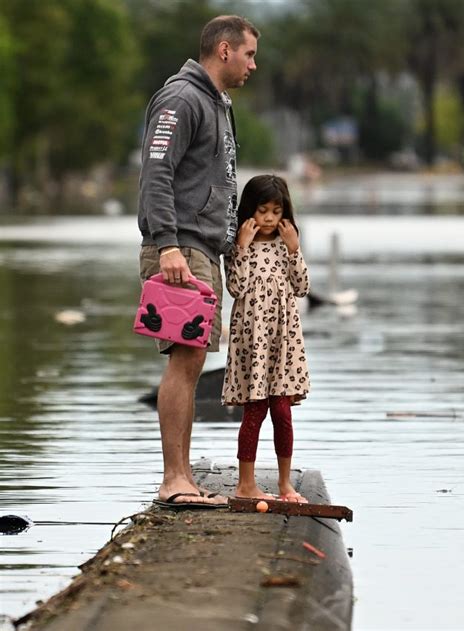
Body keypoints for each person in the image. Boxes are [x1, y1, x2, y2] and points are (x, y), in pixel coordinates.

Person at [138, 16, 260, 509]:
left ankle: (183, 477)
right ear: (225, 50)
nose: (254, 64)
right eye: (250, 54)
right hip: (179, 250)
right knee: (184, 363)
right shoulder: (182, 99)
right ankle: (174, 480)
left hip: (201, 249)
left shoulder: (217, 103)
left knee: (192, 362)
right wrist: (166, 244)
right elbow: (156, 173)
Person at [222, 175, 311, 502]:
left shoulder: (287, 245)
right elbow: (236, 288)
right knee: (254, 410)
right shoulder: (238, 245)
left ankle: (286, 484)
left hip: (284, 342)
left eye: (276, 211)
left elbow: (302, 287)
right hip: (252, 341)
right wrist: (243, 247)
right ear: (250, 211)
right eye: (263, 211)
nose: (270, 218)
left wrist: (294, 250)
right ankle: (246, 485)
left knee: (283, 412)